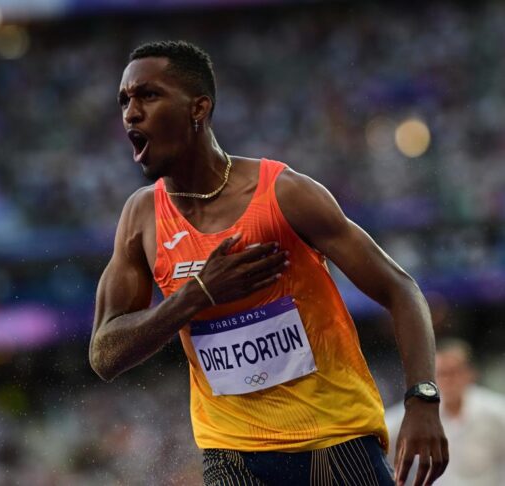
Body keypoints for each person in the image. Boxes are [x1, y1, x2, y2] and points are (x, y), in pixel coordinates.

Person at [88, 40, 448, 485]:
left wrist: (422, 400)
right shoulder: (141, 220)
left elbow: (399, 288)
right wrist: (194, 297)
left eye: (148, 95)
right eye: (124, 100)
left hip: (333, 443)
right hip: (232, 453)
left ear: (198, 108)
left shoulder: (283, 194)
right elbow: (104, 353)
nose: (130, 112)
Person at [386, 338, 505, 485]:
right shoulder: (418, 413)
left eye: (455, 372)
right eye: (442, 373)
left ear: (470, 373)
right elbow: (381, 437)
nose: (449, 380)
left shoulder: (496, 411)